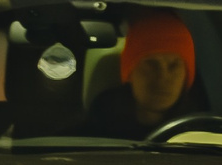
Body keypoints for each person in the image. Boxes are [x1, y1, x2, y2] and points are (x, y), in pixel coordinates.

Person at [82, 9, 201, 138]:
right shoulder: (98, 127)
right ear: (130, 72)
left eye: (174, 65)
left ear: (186, 75)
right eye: (151, 64)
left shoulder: (199, 132)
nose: (162, 77)